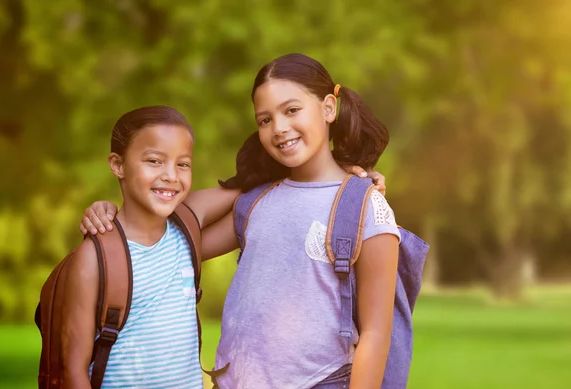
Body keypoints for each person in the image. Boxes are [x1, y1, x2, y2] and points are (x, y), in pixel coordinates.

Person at [80, 53, 396, 389]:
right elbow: (172, 232)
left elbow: (375, 334)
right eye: (264, 120)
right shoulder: (258, 201)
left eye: (292, 110)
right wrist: (113, 212)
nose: (280, 128)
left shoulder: (365, 209)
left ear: (329, 109)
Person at [61, 106, 238, 389]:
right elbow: (73, 371)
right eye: (154, 161)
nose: (171, 175)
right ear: (117, 165)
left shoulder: (186, 236)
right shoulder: (95, 257)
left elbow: (249, 194)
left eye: (183, 164)